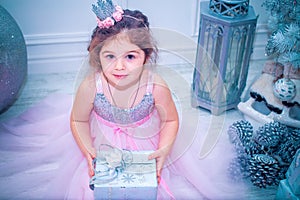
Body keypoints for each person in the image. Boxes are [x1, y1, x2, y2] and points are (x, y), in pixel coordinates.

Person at [0, 0, 250, 199]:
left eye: (130, 57)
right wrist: (89, 151)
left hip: (147, 137)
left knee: (154, 185)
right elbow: (77, 119)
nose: (119, 66)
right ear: (98, 56)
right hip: (101, 138)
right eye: (110, 56)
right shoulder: (91, 86)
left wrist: (164, 149)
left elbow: (171, 120)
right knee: (90, 188)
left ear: (146, 55)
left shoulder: (156, 86)